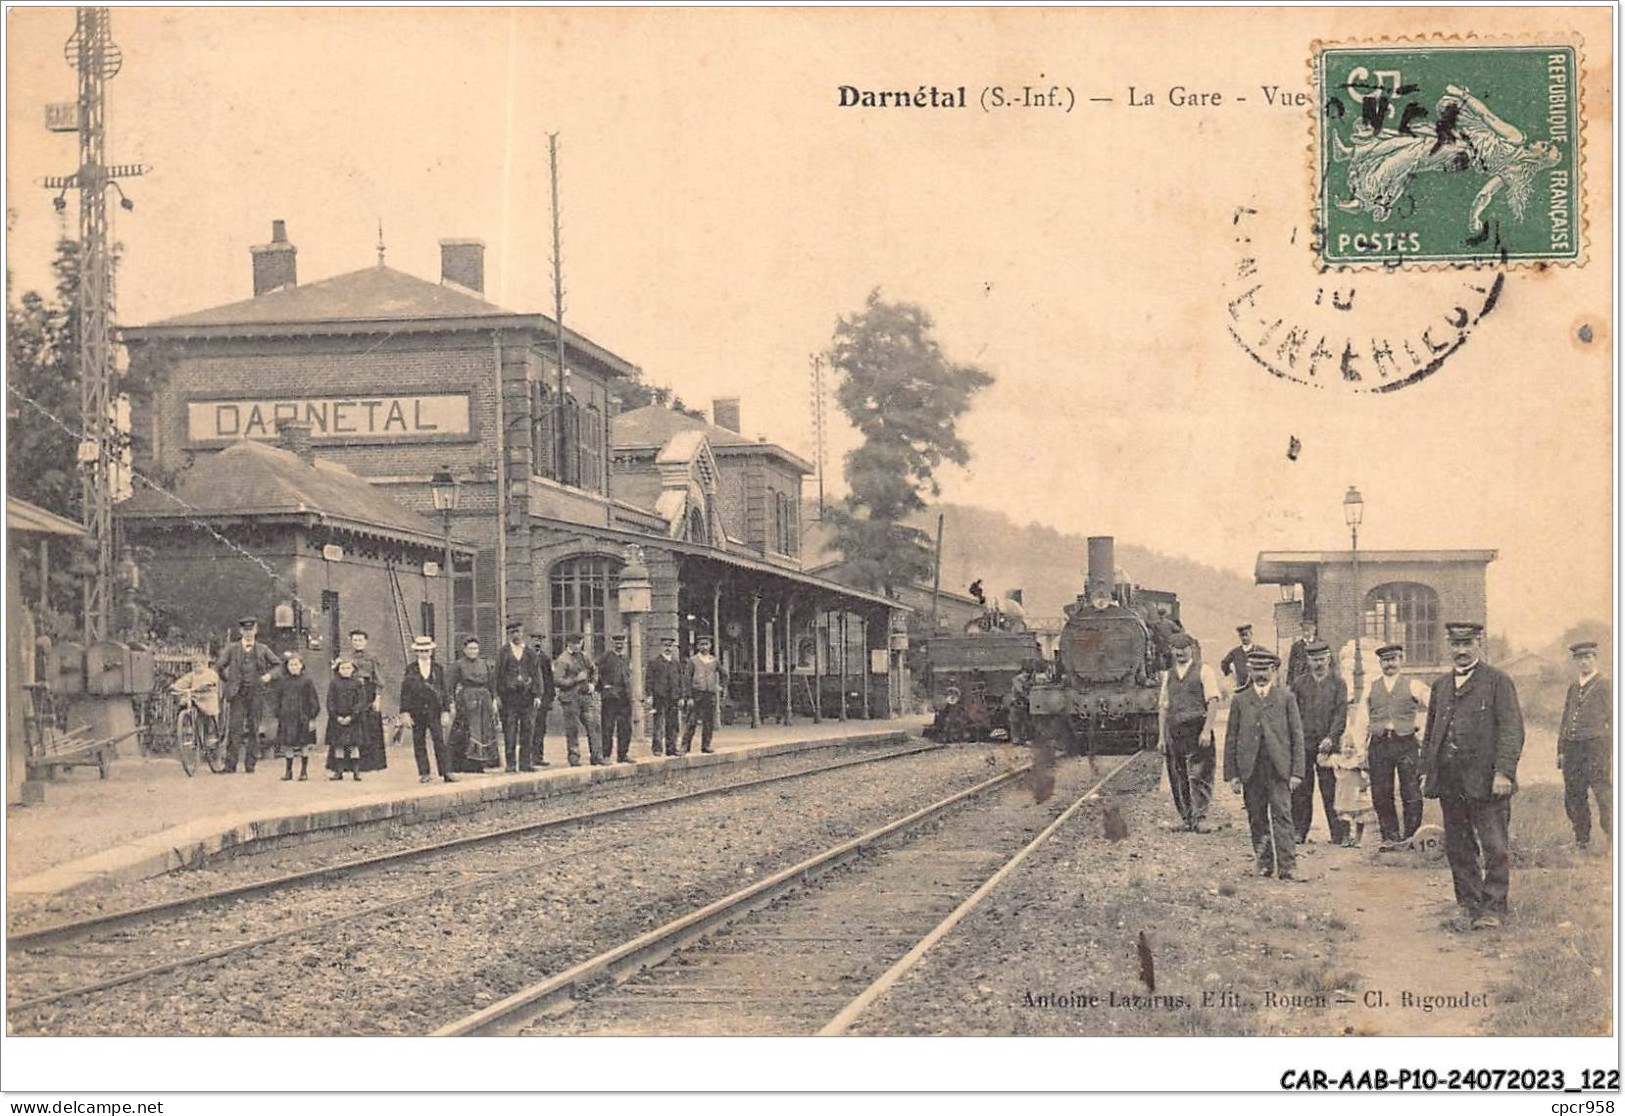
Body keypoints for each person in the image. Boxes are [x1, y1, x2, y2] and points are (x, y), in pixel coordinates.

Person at [1421, 621, 1525, 930]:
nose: (1461, 651)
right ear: (1448, 646)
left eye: (1467, 644)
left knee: (1495, 846)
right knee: (1458, 846)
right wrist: (1427, 772)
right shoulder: (1440, 686)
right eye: (1456, 644)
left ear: (1479, 644)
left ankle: (1493, 908)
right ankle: (1468, 904)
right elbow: (1431, 734)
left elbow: (1512, 731)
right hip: (1451, 781)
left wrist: (1504, 772)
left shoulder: (1498, 681)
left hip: (1488, 782)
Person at [1224, 649, 1306, 882]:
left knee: (1282, 815)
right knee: (1256, 817)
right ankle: (1264, 863)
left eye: (1265, 669)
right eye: (1256, 669)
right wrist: (1233, 775)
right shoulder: (1240, 699)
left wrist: (1297, 772)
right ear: (1249, 670)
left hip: (1278, 768)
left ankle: (1288, 866)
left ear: (1274, 670)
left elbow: (1297, 735)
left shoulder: (1286, 697)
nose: (1260, 674)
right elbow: (1231, 737)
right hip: (1251, 769)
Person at [1366, 643, 1431, 848]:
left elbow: (1436, 707)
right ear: (1380, 663)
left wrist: (1424, 732)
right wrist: (1359, 750)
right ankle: (1390, 837)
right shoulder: (1371, 686)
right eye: (1385, 660)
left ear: (1401, 660)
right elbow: (1361, 719)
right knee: (1381, 792)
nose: (1389, 664)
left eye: (1393, 659)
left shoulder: (1414, 685)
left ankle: (1412, 837)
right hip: (1379, 743)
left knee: (1411, 790)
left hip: (1405, 742)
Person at [1157, 633, 1220, 831]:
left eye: (1184, 648)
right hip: (1175, 731)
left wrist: (1206, 731)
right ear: (1172, 650)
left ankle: (1200, 817)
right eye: (1176, 648)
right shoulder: (1168, 675)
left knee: (1200, 774)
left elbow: (1212, 701)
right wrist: (1161, 736)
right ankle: (1185, 818)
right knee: (1178, 775)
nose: (1180, 652)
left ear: (1191, 649)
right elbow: (1163, 707)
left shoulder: (1204, 670)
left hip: (1197, 727)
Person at [1290, 640, 1349, 845]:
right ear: (1308, 660)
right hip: (1304, 745)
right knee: (1301, 790)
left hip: (1328, 746)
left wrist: (1331, 738)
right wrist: (1296, 741)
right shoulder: (1299, 684)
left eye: (1322, 659)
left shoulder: (1338, 683)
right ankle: (1299, 831)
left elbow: (1341, 714)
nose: (1318, 664)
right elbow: (1293, 714)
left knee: (1332, 789)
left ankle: (1339, 833)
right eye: (1314, 659)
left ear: (1329, 659)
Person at [1559, 640, 1612, 850]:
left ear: (1595, 659)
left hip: (1596, 747)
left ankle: (1613, 839)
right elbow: (1565, 719)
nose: (1584, 662)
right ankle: (1581, 840)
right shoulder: (1573, 687)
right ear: (1575, 662)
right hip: (1572, 748)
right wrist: (1561, 750)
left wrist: (1609, 747)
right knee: (1573, 793)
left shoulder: (1606, 684)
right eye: (1580, 658)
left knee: (1603, 792)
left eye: (1588, 657)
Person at [215, 616, 282, 773]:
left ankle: (250, 765)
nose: (248, 633)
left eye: (251, 630)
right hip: (237, 695)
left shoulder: (262, 649)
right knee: (234, 728)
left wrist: (269, 676)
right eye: (245, 630)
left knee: (254, 728)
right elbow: (219, 666)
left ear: (255, 630)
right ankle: (230, 765)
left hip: (256, 693)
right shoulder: (232, 649)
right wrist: (229, 681)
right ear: (241, 631)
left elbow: (279, 665)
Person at [400, 635, 456, 784]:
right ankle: (424, 772)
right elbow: (405, 692)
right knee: (419, 741)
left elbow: (444, 690)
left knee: (439, 741)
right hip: (416, 711)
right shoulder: (411, 669)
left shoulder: (438, 669)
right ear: (416, 652)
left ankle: (446, 772)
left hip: (434, 711)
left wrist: (445, 711)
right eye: (420, 651)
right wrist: (404, 713)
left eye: (426, 651)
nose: (424, 653)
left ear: (431, 651)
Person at [495, 621, 546, 773]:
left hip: (527, 698)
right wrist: (496, 695)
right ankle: (511, 764)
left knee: (528, 729)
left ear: (522, 633)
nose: (516, 635)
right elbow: (497, 674)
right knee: (510, 730)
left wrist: (538, 695)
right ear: (509, 634)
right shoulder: (503, 652)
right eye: (512, 632)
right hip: (509, 698)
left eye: (518, 631)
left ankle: (525, 763)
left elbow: (537, 674)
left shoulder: (530, 653)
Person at [448, 636, 501, 772]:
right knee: (470, 729)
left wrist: (494, 699)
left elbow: (492, 684)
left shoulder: (485, 664)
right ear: (464, 650)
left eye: (475, 648)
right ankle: (467, 763)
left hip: (484, 699)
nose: (473, 651)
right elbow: (450, 686)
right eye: (470, 648)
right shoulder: (458, 665)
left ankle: (485, 761)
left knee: (485, 730)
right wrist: (451, 703)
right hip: (467, 699)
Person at [553, 632, 603, 766]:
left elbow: (594, 670)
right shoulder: (563, 659)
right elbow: (558, 680)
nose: (578, 645)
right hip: (570, 699)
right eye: (575, 643)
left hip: (586, 697)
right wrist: (575, 679)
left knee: (594, 725)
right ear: (569, 644)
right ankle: (574, 757)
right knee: (572, 729)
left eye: (580, 642)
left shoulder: (584, 656)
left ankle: (596, 756)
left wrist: (592, 684)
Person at [271, 652, 321, 782]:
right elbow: (277, 698)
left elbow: (313, 701)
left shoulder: (307, 681)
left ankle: (304, 771)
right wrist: (278, 712)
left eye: (296, 664)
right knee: (288, 745)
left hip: (302, 717)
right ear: (287, 666)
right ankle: (288, 771)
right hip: (287, 717)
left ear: (301, 666)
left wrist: (311, 717)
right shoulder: (282, 681)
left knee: (304, 744)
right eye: (291, 664)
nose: (293, 667)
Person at [1320, 736, 1377, 847]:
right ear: (1341, 748)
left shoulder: (1358, 761)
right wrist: (1323, 752)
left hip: (1356, 791)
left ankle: (1358, 839)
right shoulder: (1337, 759)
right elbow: (1322, 763)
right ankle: (1346, 837)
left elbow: (1367, 774)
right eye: (1346, 747)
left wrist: (1365, 780)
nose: (1348, 749)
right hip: (1343, 793)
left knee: (1360, 816)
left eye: (1352, 747)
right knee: (1344, 815)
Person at [346, 630, 388, 773]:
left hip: (368, 692)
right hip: (351, 693)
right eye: (354, 640)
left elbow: (378, 680)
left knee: (370, 727)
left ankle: (371, 764)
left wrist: (378, 698)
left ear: (365, 642)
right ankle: (349, 764)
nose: (357, 642)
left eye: (360, 640)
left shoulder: (372, 658)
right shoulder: (345, 657)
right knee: (351, 728)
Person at [681, 633, 726, 755]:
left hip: (709, 694)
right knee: (692, 721)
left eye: (706, 644)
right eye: (701, 644)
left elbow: (724, 674)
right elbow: (687, 679)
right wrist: (688, 696)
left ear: (710, 646)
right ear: (698, 646)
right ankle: (685, 746)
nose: (704, 647)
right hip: (696, 694)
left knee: (708, 722)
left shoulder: (714, 661)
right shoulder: (693, 661)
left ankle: (706, 745)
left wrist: (720, 686)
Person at [325, 657, 368, 781]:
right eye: (342, 668)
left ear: (353, 669)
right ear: (338, 669)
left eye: (348, 668)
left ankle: (356, 771)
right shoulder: (334, 683)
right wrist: (336, 716)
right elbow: (330, 701)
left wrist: (353, 715)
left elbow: (361, 701)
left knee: (352, 745)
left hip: (353, 720)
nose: (345, 670)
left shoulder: (357, 683)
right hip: (337, 719)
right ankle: (339, 771)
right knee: (339, 745)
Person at [597, 633, 634, 763]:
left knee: (625, 727)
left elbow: (628, 676)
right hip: (610, 698)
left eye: (621, 643)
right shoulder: (606, 657)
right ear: (612, 643)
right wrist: (604, 686)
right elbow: (596, 671)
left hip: (624, 697)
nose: (619, 646)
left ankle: (622, 754)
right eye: (617, 643)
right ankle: (606, 755)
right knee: (608, 727)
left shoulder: (625, 658)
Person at [170, 654, 222, 745]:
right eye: (195, 665)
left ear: (205, 665)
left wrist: (206, 685)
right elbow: (184, 681)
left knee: (209, 713)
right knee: (183, 704)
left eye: (199, 665)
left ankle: (211, 735)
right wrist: (175, 686)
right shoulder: (192, 675)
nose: (197, 667)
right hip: (195, 697)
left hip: (207, 698)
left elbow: (213, 681)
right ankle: (178, 726)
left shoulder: (210, 673)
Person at [646, 635, 683, 757]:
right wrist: (649, 695)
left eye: (670, 646)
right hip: (659, 697)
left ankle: (671, 748)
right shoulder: (654, 663)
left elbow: (680, 680)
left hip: (673, 697)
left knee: (673, 724)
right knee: (659, 724)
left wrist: (681, 696)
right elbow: (649, 680)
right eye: (665, 646)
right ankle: (657, 748)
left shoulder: (676, 663)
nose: (668, 648)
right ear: (661, 647)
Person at [526, 633, 556, 768]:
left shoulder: (545, 659)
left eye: (539, 640)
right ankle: (527, 757)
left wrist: (549, 699)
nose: (537, 643)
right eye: (534, 640)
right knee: (528, 727)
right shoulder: (524, 657)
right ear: (530, 641)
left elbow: (549, 680)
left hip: (542, 699)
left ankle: (538, 756)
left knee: (540, 728)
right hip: (527, 699)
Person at [1219, 624, 1256, 694]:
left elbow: (1275, 660)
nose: (1244, 638)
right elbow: (1224, 663)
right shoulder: (1235, 652)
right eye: (1242, 635)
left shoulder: (1258, 650)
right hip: (1241, 687)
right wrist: (1232, 674)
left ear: (1251, 635)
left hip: (1255, 687)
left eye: (1246, 635)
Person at [1286, 621, 1317, 690]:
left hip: (1316, 678)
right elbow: (1291, 666)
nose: (1306, 632)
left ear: (1314, 629)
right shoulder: (1296, 646)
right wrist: (1289, 683)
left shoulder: (1320, 644)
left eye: (1308, 629)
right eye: (1304, 630)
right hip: (1300, 679)